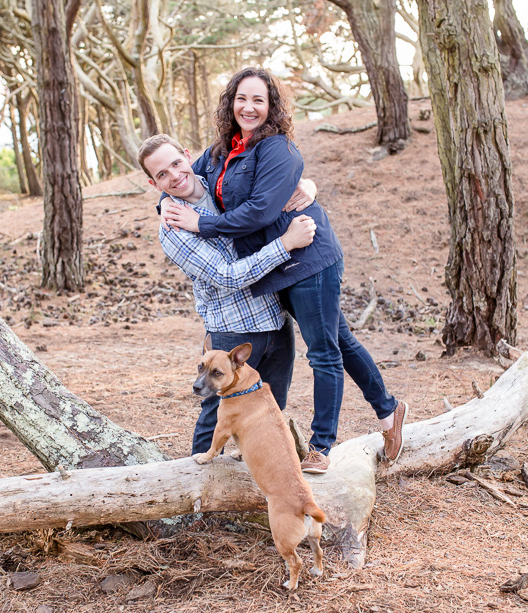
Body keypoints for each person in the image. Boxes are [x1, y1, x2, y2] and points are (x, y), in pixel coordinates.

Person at [161, 67, 408, 473]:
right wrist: (167, 207)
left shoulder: (278, 149)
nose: (249, 107)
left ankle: (321, 448)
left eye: (259, 100)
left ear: (272, 106)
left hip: (308, 257)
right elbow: (187, 179)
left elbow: (258, 212)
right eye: (242, 98)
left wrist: (201, 223)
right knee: (340, 340)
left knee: (324, 351)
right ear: (231, 102)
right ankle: (388, 410)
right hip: (277, 263)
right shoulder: (222, 150)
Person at [138, 134, 319, 455]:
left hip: (276, 318)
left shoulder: (224, 181)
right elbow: (227, 276)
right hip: (232, 327)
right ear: (155, 184)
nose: (175, 176)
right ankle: (200, 498)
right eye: (162, 175)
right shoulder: (172, 227)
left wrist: (307, 184)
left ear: (187, 155)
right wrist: (286, 244)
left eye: (177, 164)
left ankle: (251, 483)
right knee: (215, 415)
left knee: (270, 407)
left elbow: (271, 186)